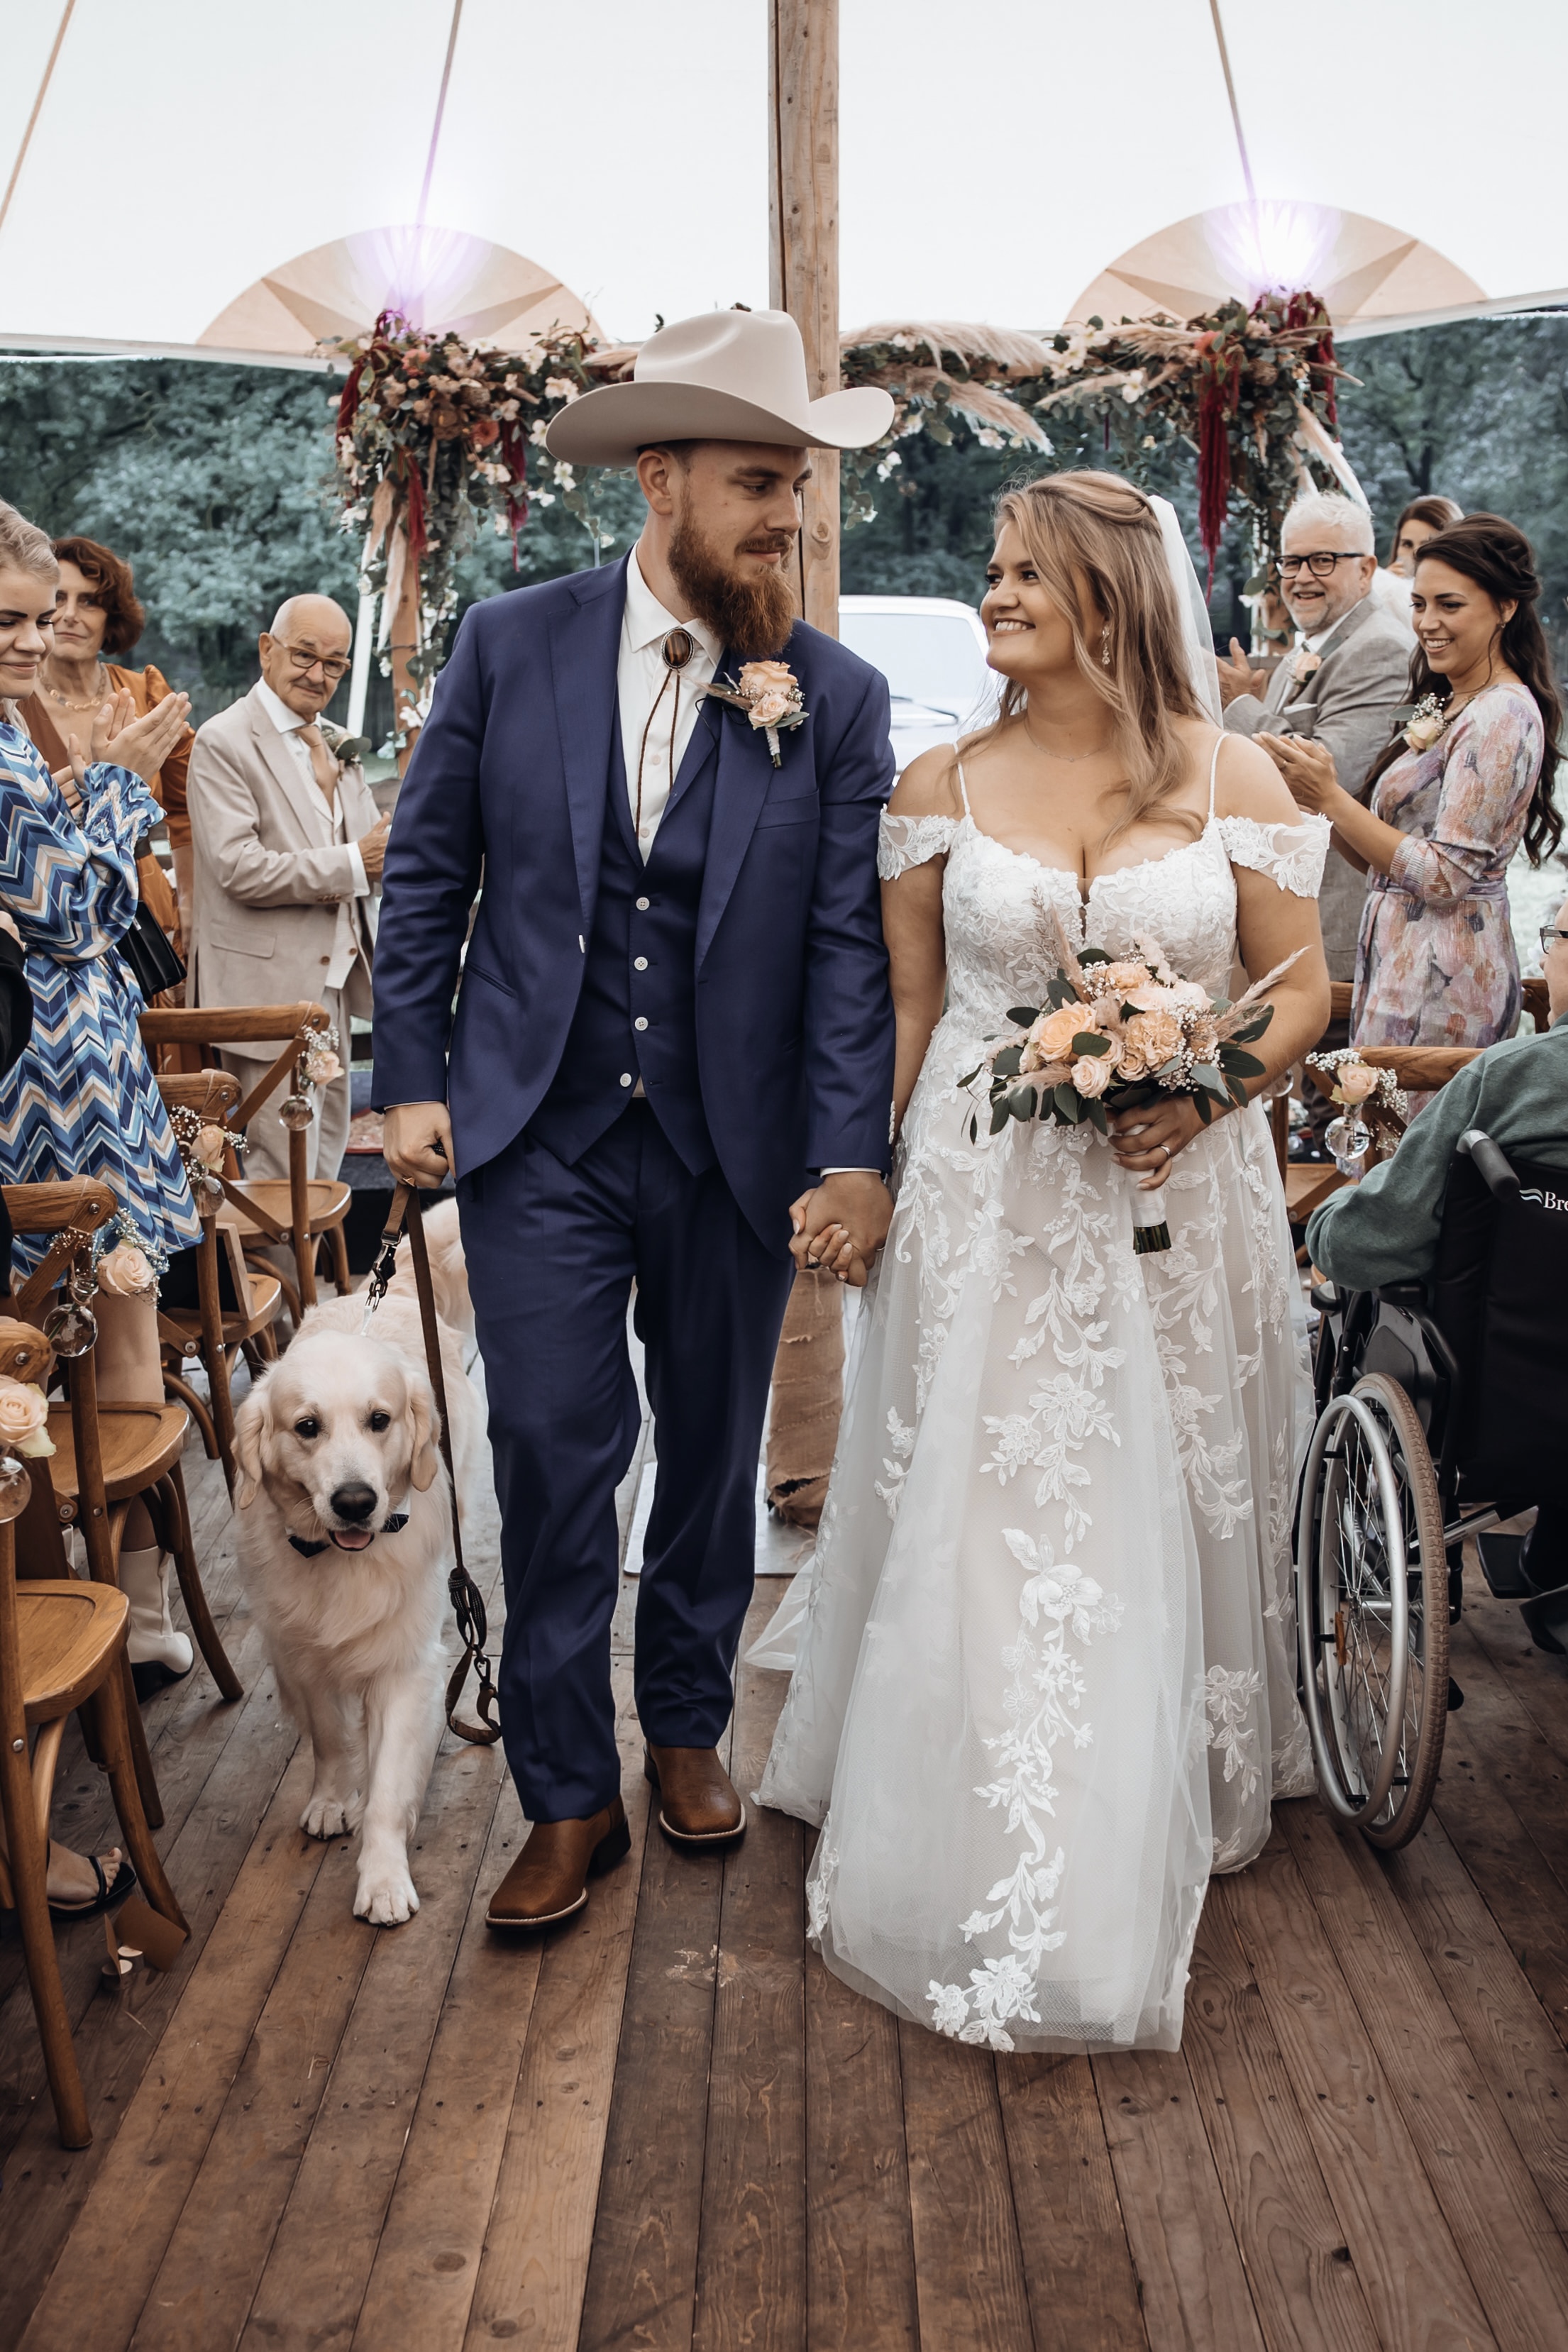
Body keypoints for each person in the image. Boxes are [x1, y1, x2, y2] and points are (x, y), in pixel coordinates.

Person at [757, 473, 1332, 2054]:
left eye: (1026, 573)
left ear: (1110, 598)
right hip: (983, 1189)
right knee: (994, 1485)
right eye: (994, 565)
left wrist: (1202, 1084)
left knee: (1156, 1477)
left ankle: (1158, 1772)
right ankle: (972, 1776)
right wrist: (861, 1174)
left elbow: (1298, 986)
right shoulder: (935, 779)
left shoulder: (1233, 777)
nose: (993, 590)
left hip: (1175, 1193)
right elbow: (909, 1006)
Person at [372, 308, 898, 1931]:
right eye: (756, 482)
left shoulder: (834, 692)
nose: (784, 519)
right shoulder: (509, 644)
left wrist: (846, 1150)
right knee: (546, 1448)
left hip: (728, 1144)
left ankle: (684, 1722)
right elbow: (425, 873)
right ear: (658, 478)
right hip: (534, 1131)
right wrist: (407, 1076)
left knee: (711, 1460)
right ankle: (562, 1792)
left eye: (797, 490)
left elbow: (839, 945)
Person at [0, 499, 203, 1704]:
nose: (32, 640)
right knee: (82, 1328)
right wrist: (123, 787)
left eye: (40, 618)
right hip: (40, 1080)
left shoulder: (15, 735)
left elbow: (79, 902)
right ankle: (98, 1608)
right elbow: (76, 910)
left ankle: (139, 1605)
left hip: (96, 1052)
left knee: (127, 1319)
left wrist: (93, 809)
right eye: (10, 620)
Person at [1307, 896, 1568, 1647]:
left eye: (1550, 936)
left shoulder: (1513, 1079)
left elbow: (1361, 1248)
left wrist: (1330, 1217)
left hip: (1501, 1409)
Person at [1262, 516, 1560, 1078]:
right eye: (1419, 604)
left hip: (1446, 987)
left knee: (1419, 1160)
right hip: (1395, 967)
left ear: (1505, 607)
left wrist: (1333, 795)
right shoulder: (1450, 701)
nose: (1427, 623)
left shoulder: (1501, 714)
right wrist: (1318, 800)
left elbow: (1445, 878)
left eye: (1450, 605)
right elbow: (1385, 861)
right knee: (1383, 1155)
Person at [187, 596, 387, 1188]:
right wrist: (356, 861)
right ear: (266, 650)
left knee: (324, 1164)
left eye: (335, 664)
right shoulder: (223, 741)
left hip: (334, 991)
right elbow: (238, 868)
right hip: (264, 994)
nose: (318, 674)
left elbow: (370, 847)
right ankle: (279, 1283)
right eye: (305, 655)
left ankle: (311, 1281)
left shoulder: (337, 743)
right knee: (276, 1177)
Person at [1216, 493, 1413, 993]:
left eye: (1323, 560)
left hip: (1336, 935)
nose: (1302, 577)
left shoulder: (1380, 649)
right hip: (1289, 926)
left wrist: (1240, 707)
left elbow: (1330, 778)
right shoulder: (1306, 650)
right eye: (1291, 561)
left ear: (1366, 570)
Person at [13, 536, 192, 951]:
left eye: (90, 602)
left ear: (112, 616)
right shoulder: (12, 704)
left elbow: (188, 809)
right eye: (58, 598)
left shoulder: (145, 693)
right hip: (56, 912)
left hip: (149, 904)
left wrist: (191, 906)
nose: (69, 614)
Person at [1369, 495, 1465, 624]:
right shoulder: (1380, 589)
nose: (1415, 555)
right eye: (1407, 544)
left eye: (1426, 545)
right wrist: (1383, 590)